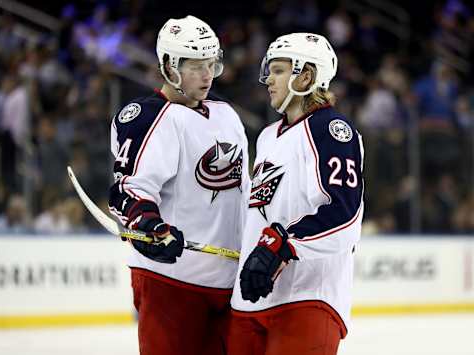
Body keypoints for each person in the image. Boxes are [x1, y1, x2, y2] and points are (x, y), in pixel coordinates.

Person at [107, 15, 250, 355]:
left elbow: (244, 191)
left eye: (211, 64)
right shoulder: (148, 115)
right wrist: (147, 225)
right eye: (196, 65)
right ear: (170, 67)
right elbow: (129, 190)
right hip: (172, 282)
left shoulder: (227, 115)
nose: (206, 75)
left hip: (228, 285)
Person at [228, 33, 364, 355]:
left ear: (306, 75)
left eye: (278, 70)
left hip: (307, 299)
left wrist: (281, 245)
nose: (268, 80)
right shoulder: (267, 137)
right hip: (251, 296)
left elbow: (344, 217)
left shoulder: (331, 129)